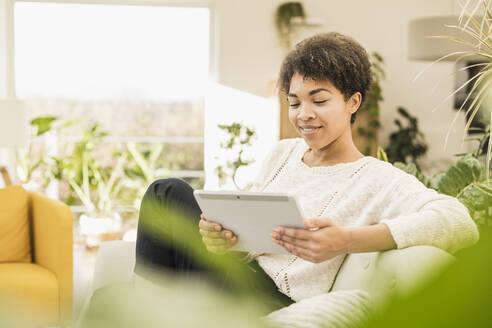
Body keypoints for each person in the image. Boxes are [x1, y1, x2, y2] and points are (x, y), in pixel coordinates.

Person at [134, 32, 479, 311]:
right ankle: (145, 312)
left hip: (274, 300)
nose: (303, 114)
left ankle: (144, 312)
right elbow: (252, 235)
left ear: (352, 102)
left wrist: (346, 240)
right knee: (165, 196)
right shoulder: (282, 154)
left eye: (319, 100)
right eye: (295, 102)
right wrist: (222, 239)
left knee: (166, 191)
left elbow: (460, 222)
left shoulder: (378, 177)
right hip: (239, 276)